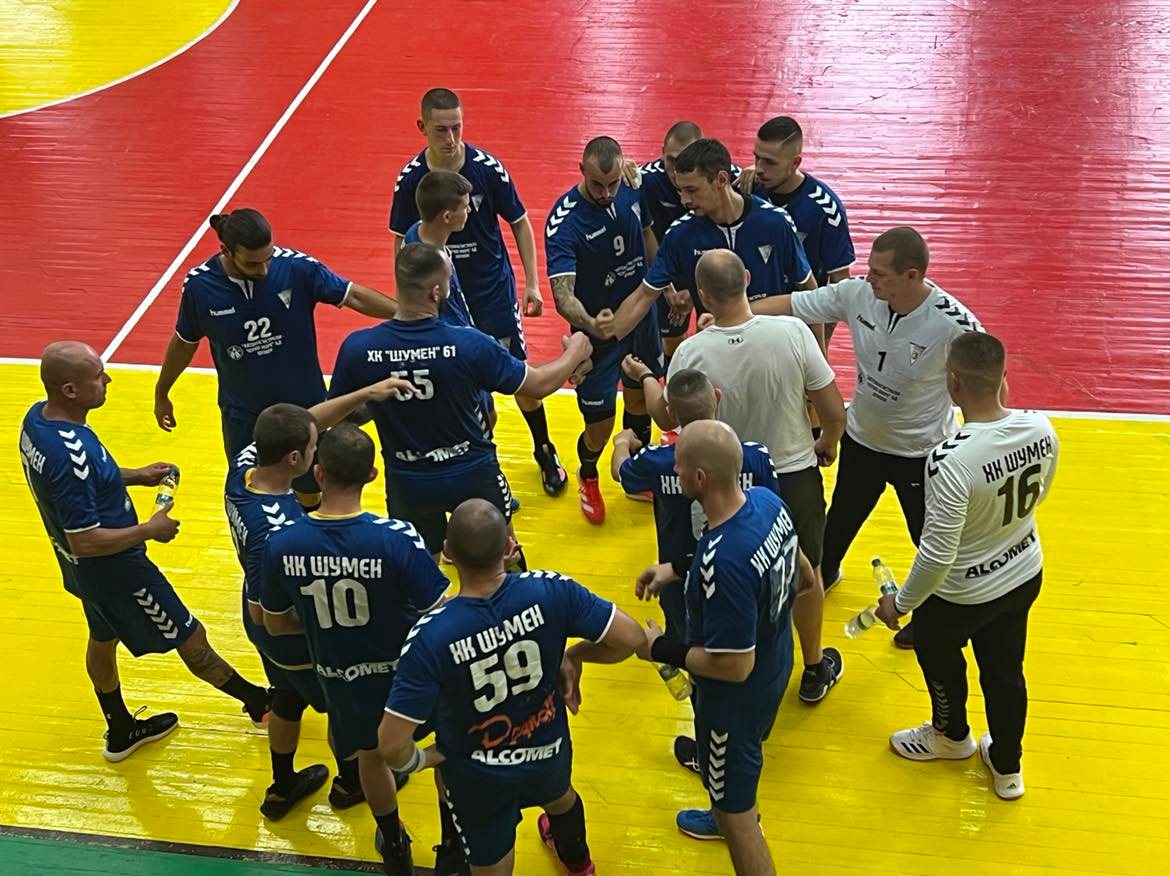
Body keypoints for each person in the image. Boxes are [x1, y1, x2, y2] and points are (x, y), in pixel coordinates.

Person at [20, 341, 271, 762]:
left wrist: (136, 476)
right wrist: (150, 530)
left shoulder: (37, 422)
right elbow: (85, 538)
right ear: (69, 390)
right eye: (97, 376)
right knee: (191, 638)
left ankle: (120, 728)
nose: (107, 379)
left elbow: (84, 482)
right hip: (117, 570)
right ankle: (259, 703)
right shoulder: (69, 454)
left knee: (102, 638)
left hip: (80, 569)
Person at [379, 499, 646, 876]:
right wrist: (576, 655)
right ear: (508, 547)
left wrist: (422, 760)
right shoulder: (552, 591)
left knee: (491, 861)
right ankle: (579, 864)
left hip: (477, 777)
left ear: (448, 552)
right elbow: (632, 638)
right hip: (547, 749)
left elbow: (391, 745)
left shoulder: (430, 637)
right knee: (560, 798)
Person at [629, 250, 846, 705]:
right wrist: (827, 441)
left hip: (727, 484)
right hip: (791, 471)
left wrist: (646, 376)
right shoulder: (792, 332)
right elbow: (831, 407)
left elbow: (667, 417)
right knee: (803, 568)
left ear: (703, 295)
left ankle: (728, 659)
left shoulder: (690, 351)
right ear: (747, 278)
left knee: (728, 574)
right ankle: (812, 666)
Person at [750, 227, 984, 648]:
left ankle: (931, 616)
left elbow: (987, 384)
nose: (868, 277)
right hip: (863, 440)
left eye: (880, 273)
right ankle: (825, 573)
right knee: (841, 516)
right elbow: (795, 304)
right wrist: (738, 314)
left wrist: (978, 446)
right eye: (870, 269)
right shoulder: (859, 294)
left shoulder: (954, 324)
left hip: (922, 453)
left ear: (911, 276)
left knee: (928, 538)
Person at [259, 424, 450, 875]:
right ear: (372, 475)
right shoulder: (396, 536)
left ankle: (395, 844)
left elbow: (275, 623)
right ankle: (453, 844)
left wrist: (315, 618)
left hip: (341, 675)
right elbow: (439, 612)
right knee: (445, 746)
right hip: (407, 674)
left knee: (370, 756)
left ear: (318, 473)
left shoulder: (282, 543)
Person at [876, 332, 1058, 801]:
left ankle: (951, 737)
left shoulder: (950, 459)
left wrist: (901, 603)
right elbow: (1038, 495)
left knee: (938, 656)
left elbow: (938, 553)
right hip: (1023, 573)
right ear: (1004, 378)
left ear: (953, 384)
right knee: (1006, 670)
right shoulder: (1041, 429)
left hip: (963, 594)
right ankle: (1008, 766)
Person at [328, 242, 592, 559]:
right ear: (436, 292)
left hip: (409, 482)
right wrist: (576, 350)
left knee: (422, 572)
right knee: (501, 561)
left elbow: (338, 418)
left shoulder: (359, 348)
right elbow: (538, 385)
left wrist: (378, 401)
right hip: (473, 475)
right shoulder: (468, 344)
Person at [224, 377, 411, 820]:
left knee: (287, 697)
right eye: (313, 446)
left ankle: (282, 786)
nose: (316, 448)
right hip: (286, 632)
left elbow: (304, 420)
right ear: (296, 459)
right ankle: (350, 783)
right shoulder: (275, 531)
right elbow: (266, 615)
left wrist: (364, 395)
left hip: (263, 621)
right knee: (340, 708)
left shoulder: (245, 466)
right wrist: (326, 623)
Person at [636, 422, 816, 873]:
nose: (674, 471)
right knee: (743, 763)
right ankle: (730, 800)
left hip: (734, 703)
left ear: (699, 478)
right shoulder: (767, 503)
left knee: (737, 814)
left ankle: (731, 817)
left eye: (679, 465)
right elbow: (806, 578)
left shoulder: (725, 561)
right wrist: (679, 568)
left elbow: (732, 666)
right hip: (777, 662)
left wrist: (660, 648)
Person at [153, 208, 397, 505]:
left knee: (310, 492)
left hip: (306, 410)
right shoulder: (200, 286)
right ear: (226, 251)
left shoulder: (295, 268)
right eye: (253, 263)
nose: (264, 270)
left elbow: (353, 295)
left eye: (268, 258)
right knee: (252, 494)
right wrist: (162, 392)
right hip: (244, 417)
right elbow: (184, 342)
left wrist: (408, 314)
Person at [389, 88, 563, 493]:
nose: (451, 138)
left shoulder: (486, 169)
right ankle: (484, 465)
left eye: (457, 127)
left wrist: (532, 282)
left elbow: (519, 221)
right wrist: (407, 301)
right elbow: (401, 243)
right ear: (422, 128)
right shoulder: (411, 180)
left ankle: (543, 448)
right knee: (469, 393)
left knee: (518, 375)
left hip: (491, 295)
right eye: (441, 130)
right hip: (445, 305)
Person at [611, 368, 781, 648]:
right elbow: (772, 518)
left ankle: (681, 663)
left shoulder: (659, 461)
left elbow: (621, 472)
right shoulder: (755, 456)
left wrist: (622, 442)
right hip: (743, 570)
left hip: (680, 578)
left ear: (672, 414)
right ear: (717, 397)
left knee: (687, 641)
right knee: (743, 639)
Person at [545, 136, 663, 523]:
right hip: (599, 337)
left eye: (612, 184)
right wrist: (590, 322)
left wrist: (665, 282)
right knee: (599, 427)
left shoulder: (632, 185)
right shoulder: (565, 221)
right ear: (581, 170)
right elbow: (563, 296)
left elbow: (648, 233)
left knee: (642, 399)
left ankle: (637, 472)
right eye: (598, 184)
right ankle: (589, 473)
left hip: (642, 319)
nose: (607, 193)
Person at [603, 137, 816, 345]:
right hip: (718, 350)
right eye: (681, 190)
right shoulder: (680, 234)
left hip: (772, 346)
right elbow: (643, 296)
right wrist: (602, 347)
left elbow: (809, 292)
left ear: (721, 180)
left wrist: (820, 356)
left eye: (692, 190)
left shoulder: (776, 223)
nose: (684, 200)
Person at [629, 121, 739, 363]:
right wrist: (622, 167)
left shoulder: (728, 177)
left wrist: (754, 172)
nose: (676, 168)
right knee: (672, 339)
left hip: (712, 269)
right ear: (662, 152)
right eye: (670, 159)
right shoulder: (646, 179)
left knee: (719, 336)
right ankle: (677, 379)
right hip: (667, 268)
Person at [739, 116, 855, 289]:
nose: (760, 168)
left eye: (770, 162)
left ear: (795, 163)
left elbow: (841, 281)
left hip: (800, 303)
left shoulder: (826, 209)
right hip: (749, 302)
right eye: (757, 158)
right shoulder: (746, 189)